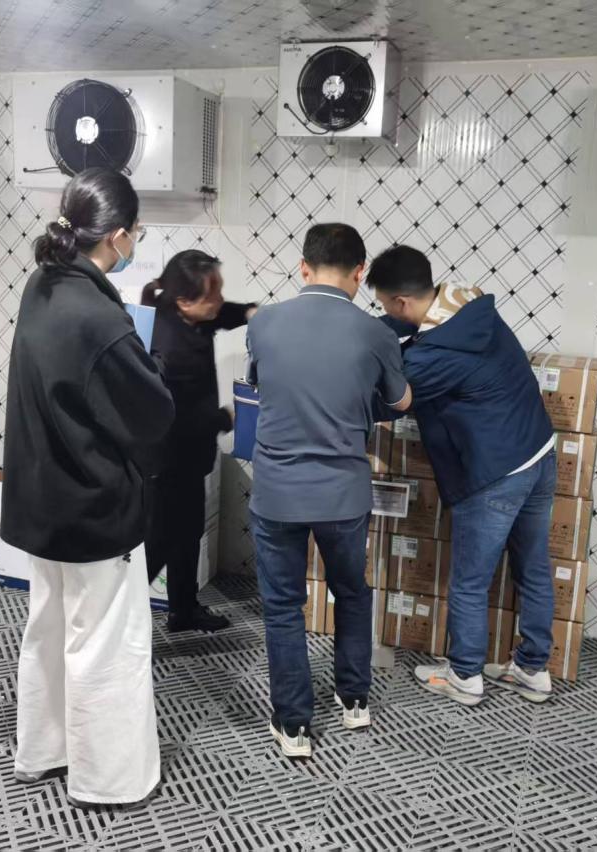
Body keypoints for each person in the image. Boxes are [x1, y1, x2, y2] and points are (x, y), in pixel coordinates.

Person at [1, 168, 174, 808]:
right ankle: (109, 779)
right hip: (94, 506)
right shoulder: (101, 318)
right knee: (106, 645)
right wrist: (152, 367)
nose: (135, 245)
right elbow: (152, 416)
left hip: (40, 499)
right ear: (119, 236)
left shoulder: (41, 284)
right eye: (137, 235)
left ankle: (43, 751)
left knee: (48, 632)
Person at [247, 223, 412, 759]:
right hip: (343, 494)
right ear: (360, 274)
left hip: (277, 493)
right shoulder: (376, 334)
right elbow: (402, 401)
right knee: (352, 592)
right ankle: (354, 699)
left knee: (283, 607)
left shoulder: (264, 322)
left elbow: (261, 383)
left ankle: (294, 726)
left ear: (303, 267)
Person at [368, 244, 557, 706]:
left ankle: (465, 675)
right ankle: (533, 669)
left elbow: (388, 403)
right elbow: (397, 330)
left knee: (470, 581)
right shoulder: (468, 308)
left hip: (494, 473)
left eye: (384, 305)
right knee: (532, 567)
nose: (385, 313)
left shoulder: (435, 357)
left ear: (401, 302)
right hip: (538, 453)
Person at [142, 250, 256, 633]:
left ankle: (184, 610)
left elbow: (221, 314)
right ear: (184, 301)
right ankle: (117, 630)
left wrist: (250, 312)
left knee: (188, 535)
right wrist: (227, 418)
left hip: (188, 461)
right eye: (213, 294)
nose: (220, 300)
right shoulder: (169, 346)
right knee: (155, 547)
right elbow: (178, 420)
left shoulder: (186, 314)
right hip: (166, 463)